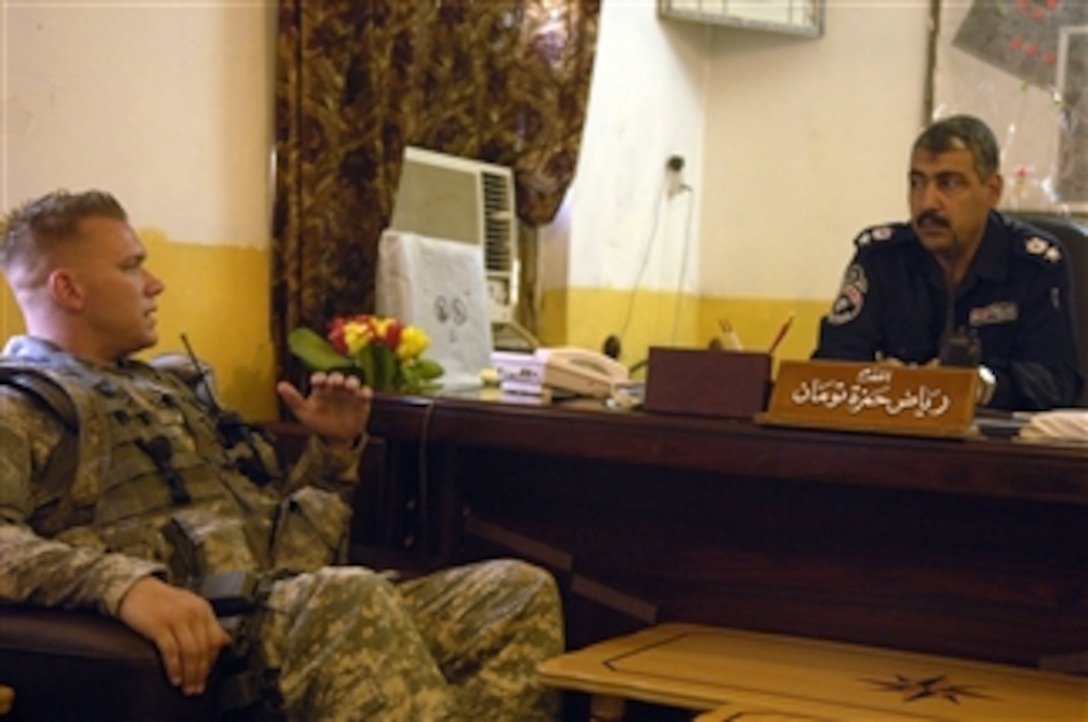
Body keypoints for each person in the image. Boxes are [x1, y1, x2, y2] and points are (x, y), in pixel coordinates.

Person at [0, 189, 563, 721]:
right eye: (130, 266)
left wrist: (333, 451)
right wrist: (123, 586)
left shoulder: (172, 392)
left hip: (287, 607)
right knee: (347, 598)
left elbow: (296, 557)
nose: (155, 283)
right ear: (69, 290)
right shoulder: (20, 405)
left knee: (516, 591)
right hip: (211, 640)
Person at [813, 114, 1083, 411]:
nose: (928, 202)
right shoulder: (881, 257)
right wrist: (873, 378)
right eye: (917, 183)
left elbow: (1058, 381)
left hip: (995, 449)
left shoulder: (1034, 264)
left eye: (949, 184)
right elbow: (830, 362)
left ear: (992, 191)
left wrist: (980, 385)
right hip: (897, 441)